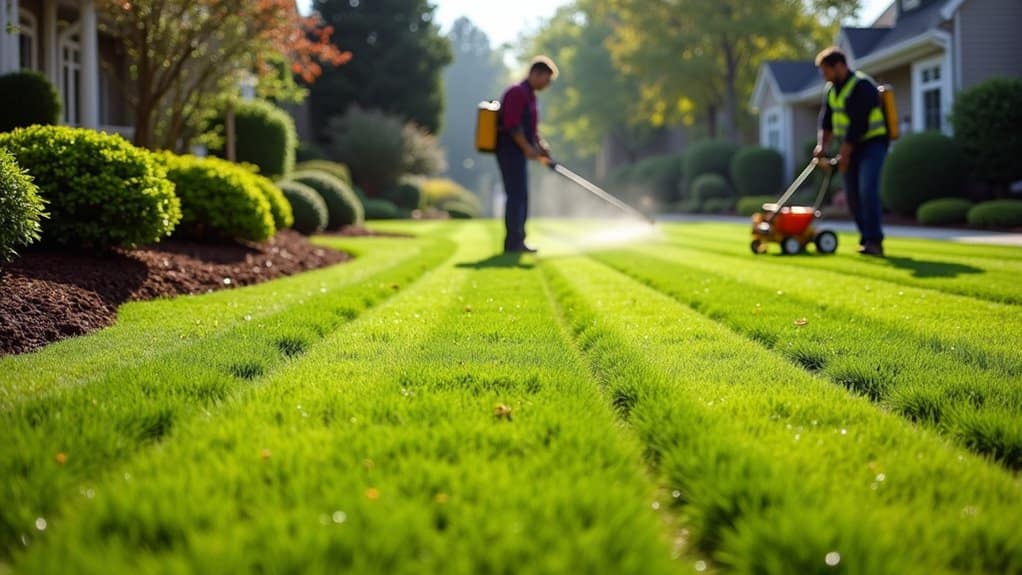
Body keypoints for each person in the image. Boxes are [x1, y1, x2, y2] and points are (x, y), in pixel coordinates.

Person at [813, 47, 889, 257]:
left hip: (873, 144)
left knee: (867, 189)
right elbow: (826, 121)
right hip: (850, 146)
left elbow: (858, 126)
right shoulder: (831, 90)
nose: (824, 76)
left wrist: (843, 155)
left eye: (826, 71)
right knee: (852, 195)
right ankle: (866, 238)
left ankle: (875, 241)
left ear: (839, 66)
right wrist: (822, 146)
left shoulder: (862, 86)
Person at [496, 56, 558, 254]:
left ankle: (518, 241)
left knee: (521, 196)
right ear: (535, 73)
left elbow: (531, 128)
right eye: (546, 80)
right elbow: (512, 126)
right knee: (516, 196)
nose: (547, 85)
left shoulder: (530, 96)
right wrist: (527, 148)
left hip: (519, 153)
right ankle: (513, 243)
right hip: (509, 151)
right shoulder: (517, 92)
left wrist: (540, 145)